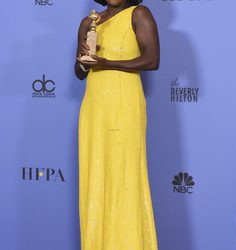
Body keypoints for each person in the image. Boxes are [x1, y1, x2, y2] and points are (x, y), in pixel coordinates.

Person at [74, 0, 160, 249]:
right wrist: (83, 60)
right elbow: (79, 72)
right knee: (96, 175)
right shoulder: (88, 22)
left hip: (124, 104)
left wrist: (107, 63)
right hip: (94, 106)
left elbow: (152, 60)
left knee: (124, 176)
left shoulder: (138, 14)